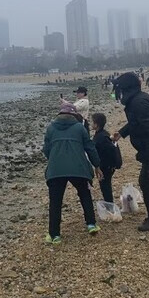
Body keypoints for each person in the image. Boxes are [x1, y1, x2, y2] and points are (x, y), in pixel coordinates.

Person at [110, 71, 149, 231]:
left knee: (146, 181)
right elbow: (135, 123)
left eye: (120, 89)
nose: (119, 92)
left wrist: (146, 152)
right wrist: (121, 133)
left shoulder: (138, 103)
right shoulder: (138, 99)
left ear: (126, 89)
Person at [42, 102, 103, 244]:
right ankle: (91, 224)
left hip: (56, 170)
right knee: (84, 195)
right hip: (79, 168)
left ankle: (54, 235)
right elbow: (90, 148)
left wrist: (56, 157)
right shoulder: (79, 128)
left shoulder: (51, 129)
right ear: (74, 115)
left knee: (55, 202)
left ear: (60, 114)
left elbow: (46, 150)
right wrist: (97, 165)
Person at [91, 112, 122, 204]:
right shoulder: (102, 134)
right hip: (105, 165)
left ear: (96, 124)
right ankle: (109, 203)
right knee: (104, 185)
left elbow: (109, 151)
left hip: (106, 166)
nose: (91, 124)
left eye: (92, 122)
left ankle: (110, 205)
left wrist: (107, 166)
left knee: (105, 186)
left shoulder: (101, 137)